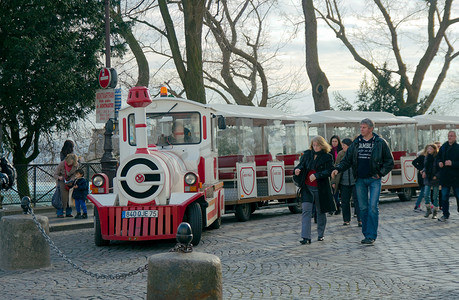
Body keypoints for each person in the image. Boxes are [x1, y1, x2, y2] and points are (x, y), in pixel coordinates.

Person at [331, 118, 394, 245]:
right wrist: (337, 169)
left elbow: (389, 161)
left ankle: (372, 235)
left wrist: (380, 173)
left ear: (371, 129)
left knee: (373, 207)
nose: (361, 129)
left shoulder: (380, 142)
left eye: (364, 127)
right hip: (359, 179)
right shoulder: (356, 143)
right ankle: (366, 234)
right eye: (360, 127)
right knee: (363, 208)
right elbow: (347, 160)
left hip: (374, 179)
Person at [294, 136, 336, 245]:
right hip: (307, 187)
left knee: (321, 211)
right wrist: (297, 170)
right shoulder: (307, 154)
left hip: (320, 188)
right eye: (314, 145)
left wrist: (317, 175)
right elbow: (300, 165)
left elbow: (330, 171)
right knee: (306, 211)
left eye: (317, 145)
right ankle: (305, 237)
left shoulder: (328, 157)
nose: (315, 147)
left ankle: (320, 234)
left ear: (322, 145)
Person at [332, 138, 361, 226]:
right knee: (344, 201)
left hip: (355, 181)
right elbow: (336, 167)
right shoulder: (340, 154)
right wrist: (333, 181)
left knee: (358, 200)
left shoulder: (356, 153)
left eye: (344, 145)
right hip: (343, 182)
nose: (342, 146)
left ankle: (360, 219)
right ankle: (346, 219)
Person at [437, 131, 459, 222]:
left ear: (455, 137)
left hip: (456, 177)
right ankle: (445, 214)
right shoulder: (443, 147)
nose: (449, 137)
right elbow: (437, 158)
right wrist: (439, 163)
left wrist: (452, 163)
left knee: (458, 196)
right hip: (445, 176)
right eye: (448, 136)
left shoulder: (458, 148)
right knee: (444, 196)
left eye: (451, 136)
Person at [54, 153, 79, 218]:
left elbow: (75, 174)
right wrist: (59, 177)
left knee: (70, 198)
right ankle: (60, 213)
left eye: (71, 163)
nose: (69, 164)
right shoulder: (62, 164)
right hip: (62, 182)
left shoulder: (76, 165)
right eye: (69, 162)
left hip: (70, 183)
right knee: (62, 198)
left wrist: (72, 179)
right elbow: (55, 174)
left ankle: (69, 212)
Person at [422, 144, 440, 219]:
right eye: (428, 148)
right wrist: (423, 171)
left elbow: (440, 169)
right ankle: (428, 209)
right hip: (428, 178)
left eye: (431, 148)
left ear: (434, 149)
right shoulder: (426, 157)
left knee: (435, 196)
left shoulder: (437, 157)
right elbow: (425, 166)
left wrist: (437, 176)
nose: (429, 150)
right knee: (426, 194)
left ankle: (435, 212)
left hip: (435, 178)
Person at [329, 135, 343, 215]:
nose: (334, 143)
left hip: (339, 172)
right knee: (332, 190)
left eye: (335, 141)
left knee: (336, 191)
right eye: (332, 141)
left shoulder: (340, 150)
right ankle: (335, 207)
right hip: (331, 173)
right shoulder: (329, 150)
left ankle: (337, 206)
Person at [412, 145, 428, 212]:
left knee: (425, 191)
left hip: (427, 175)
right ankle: (417, 205)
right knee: (423, 191)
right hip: (422, 176)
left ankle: (429, 205)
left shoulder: (429, 157)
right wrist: (420, 169)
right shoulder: (422, 156)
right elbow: (414, 162)